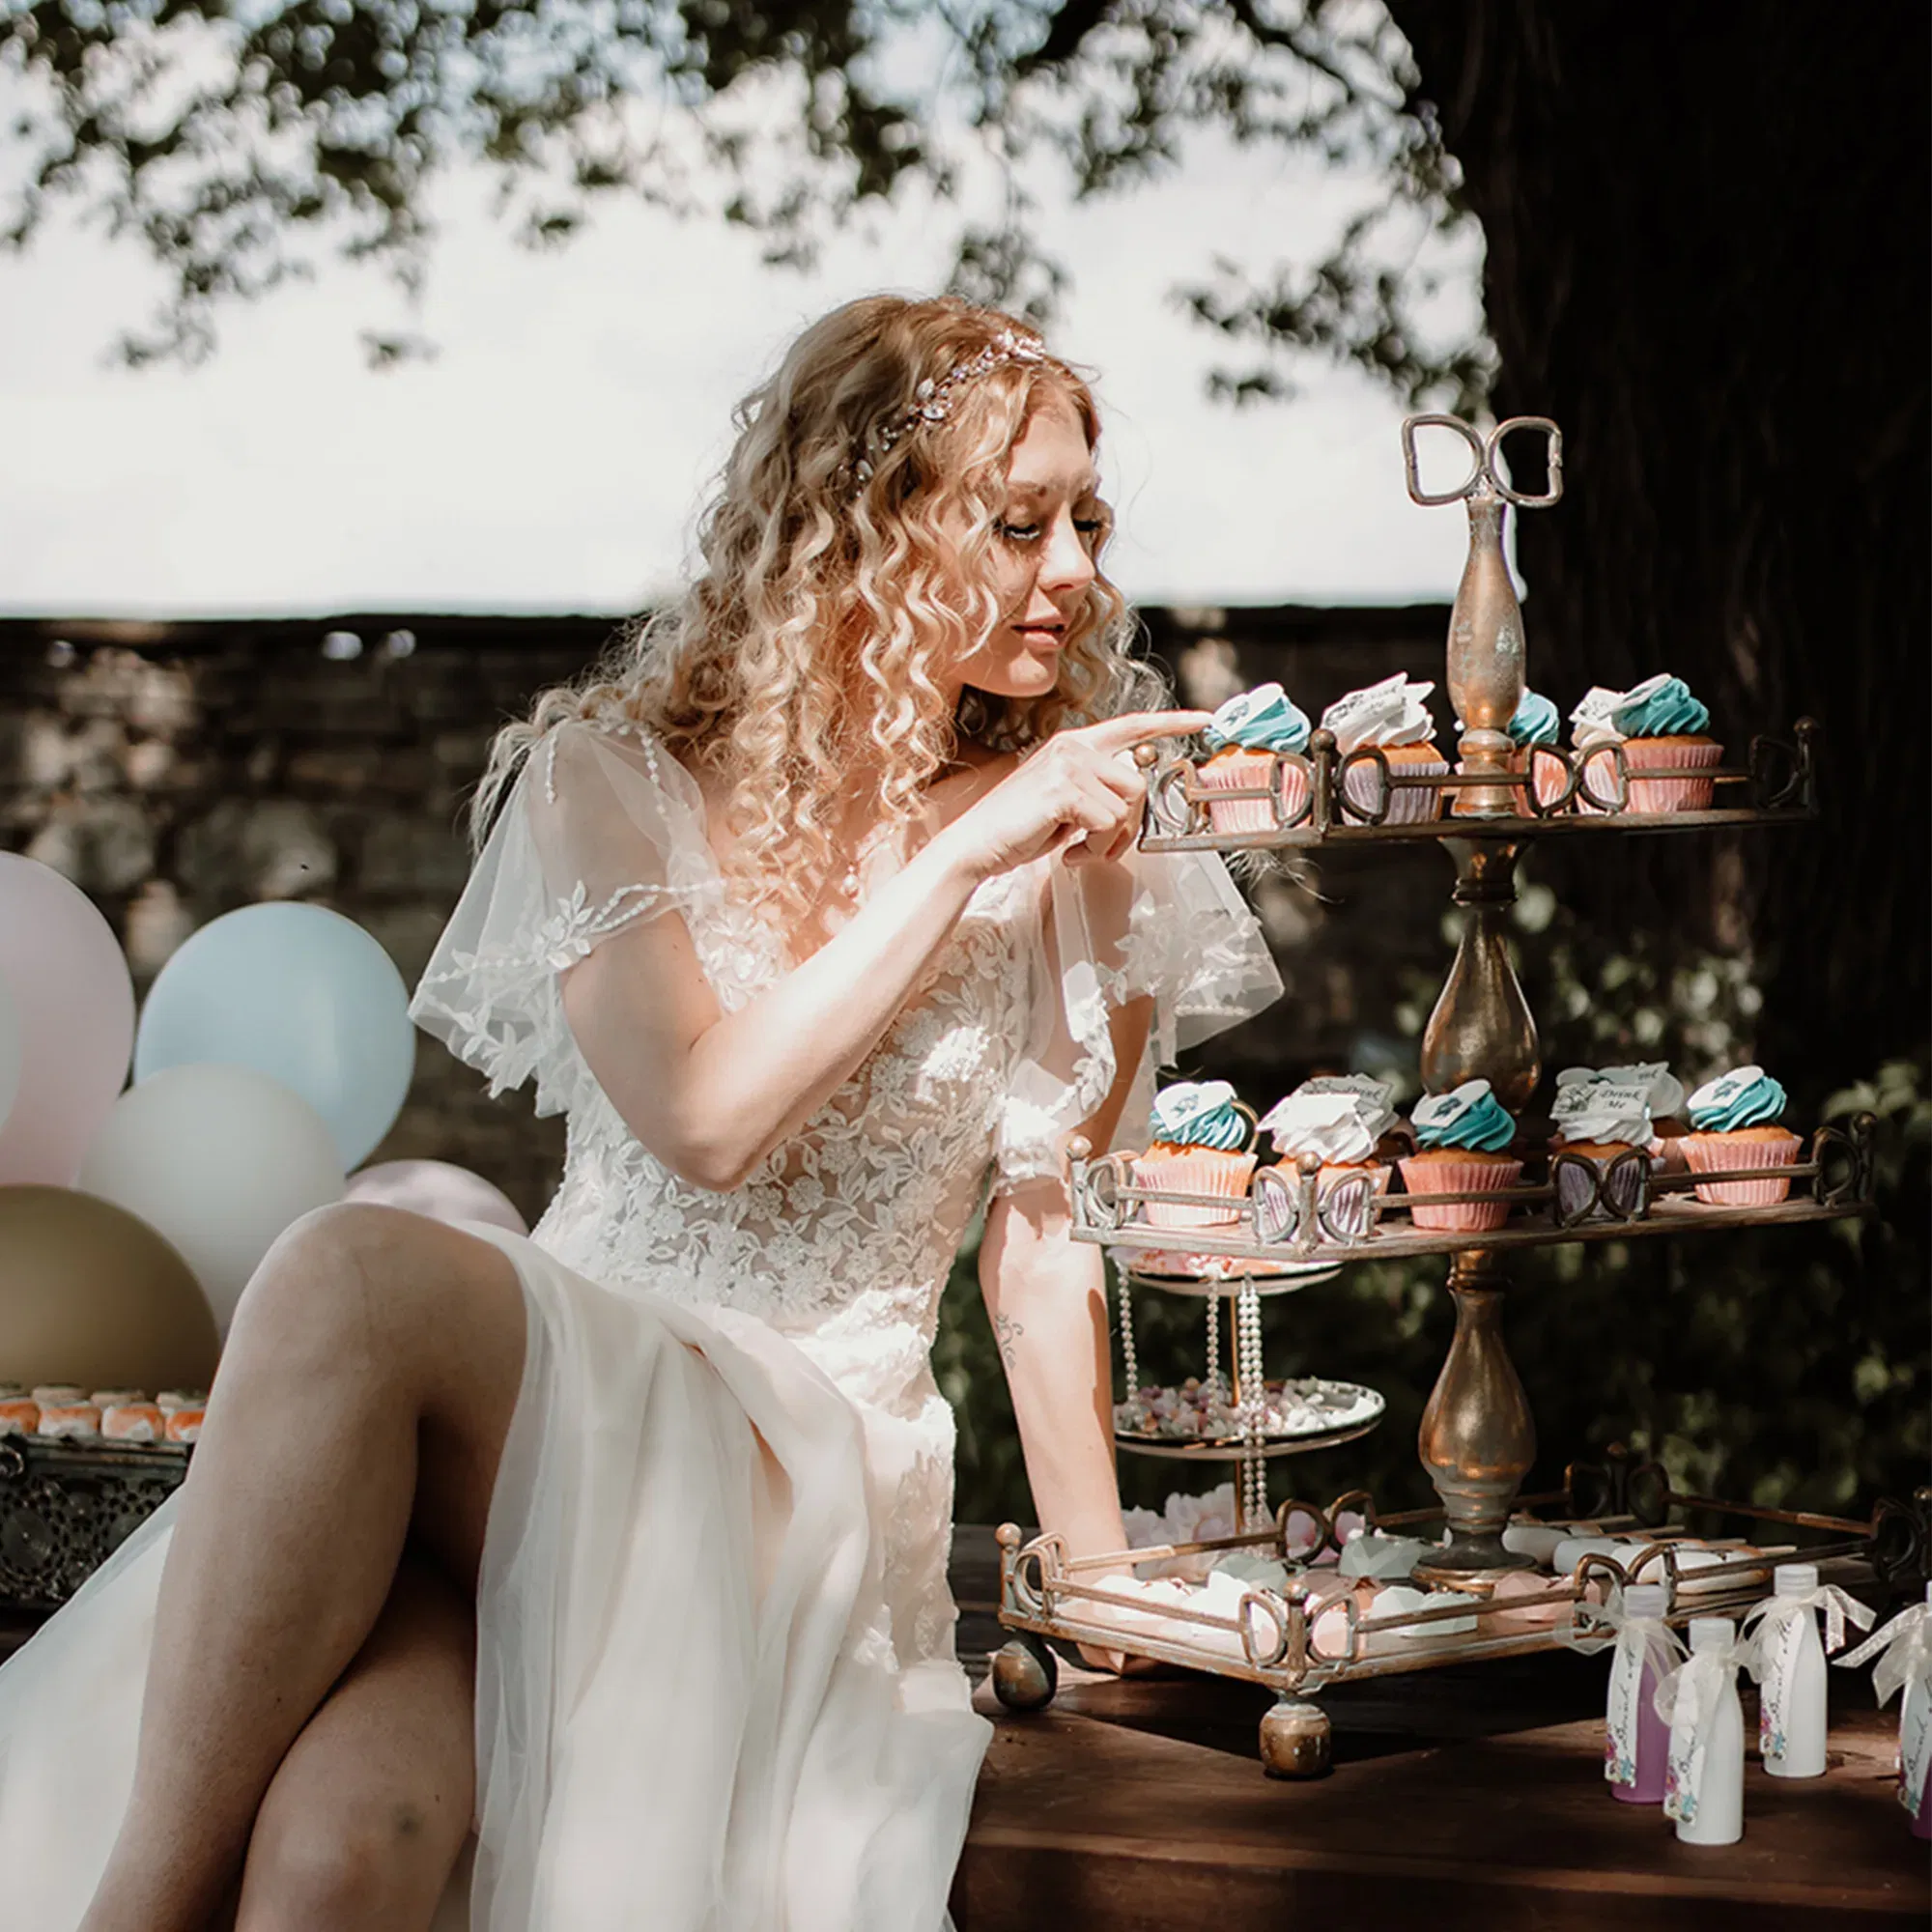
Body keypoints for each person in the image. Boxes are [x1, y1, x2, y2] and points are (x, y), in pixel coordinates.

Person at [0, 294, 1280, 1929]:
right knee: (350, 1843)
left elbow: (1042, 1261)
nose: (1075, 571)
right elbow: (700, 1114)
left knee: (343, 1277)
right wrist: (965, 848)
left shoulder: (1085, 845)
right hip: (532, 1427)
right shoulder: (606, 776)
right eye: (1016, 523)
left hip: (789, 1473)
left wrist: (1106, 1607)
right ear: (864, 532)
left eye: (1087, 521)